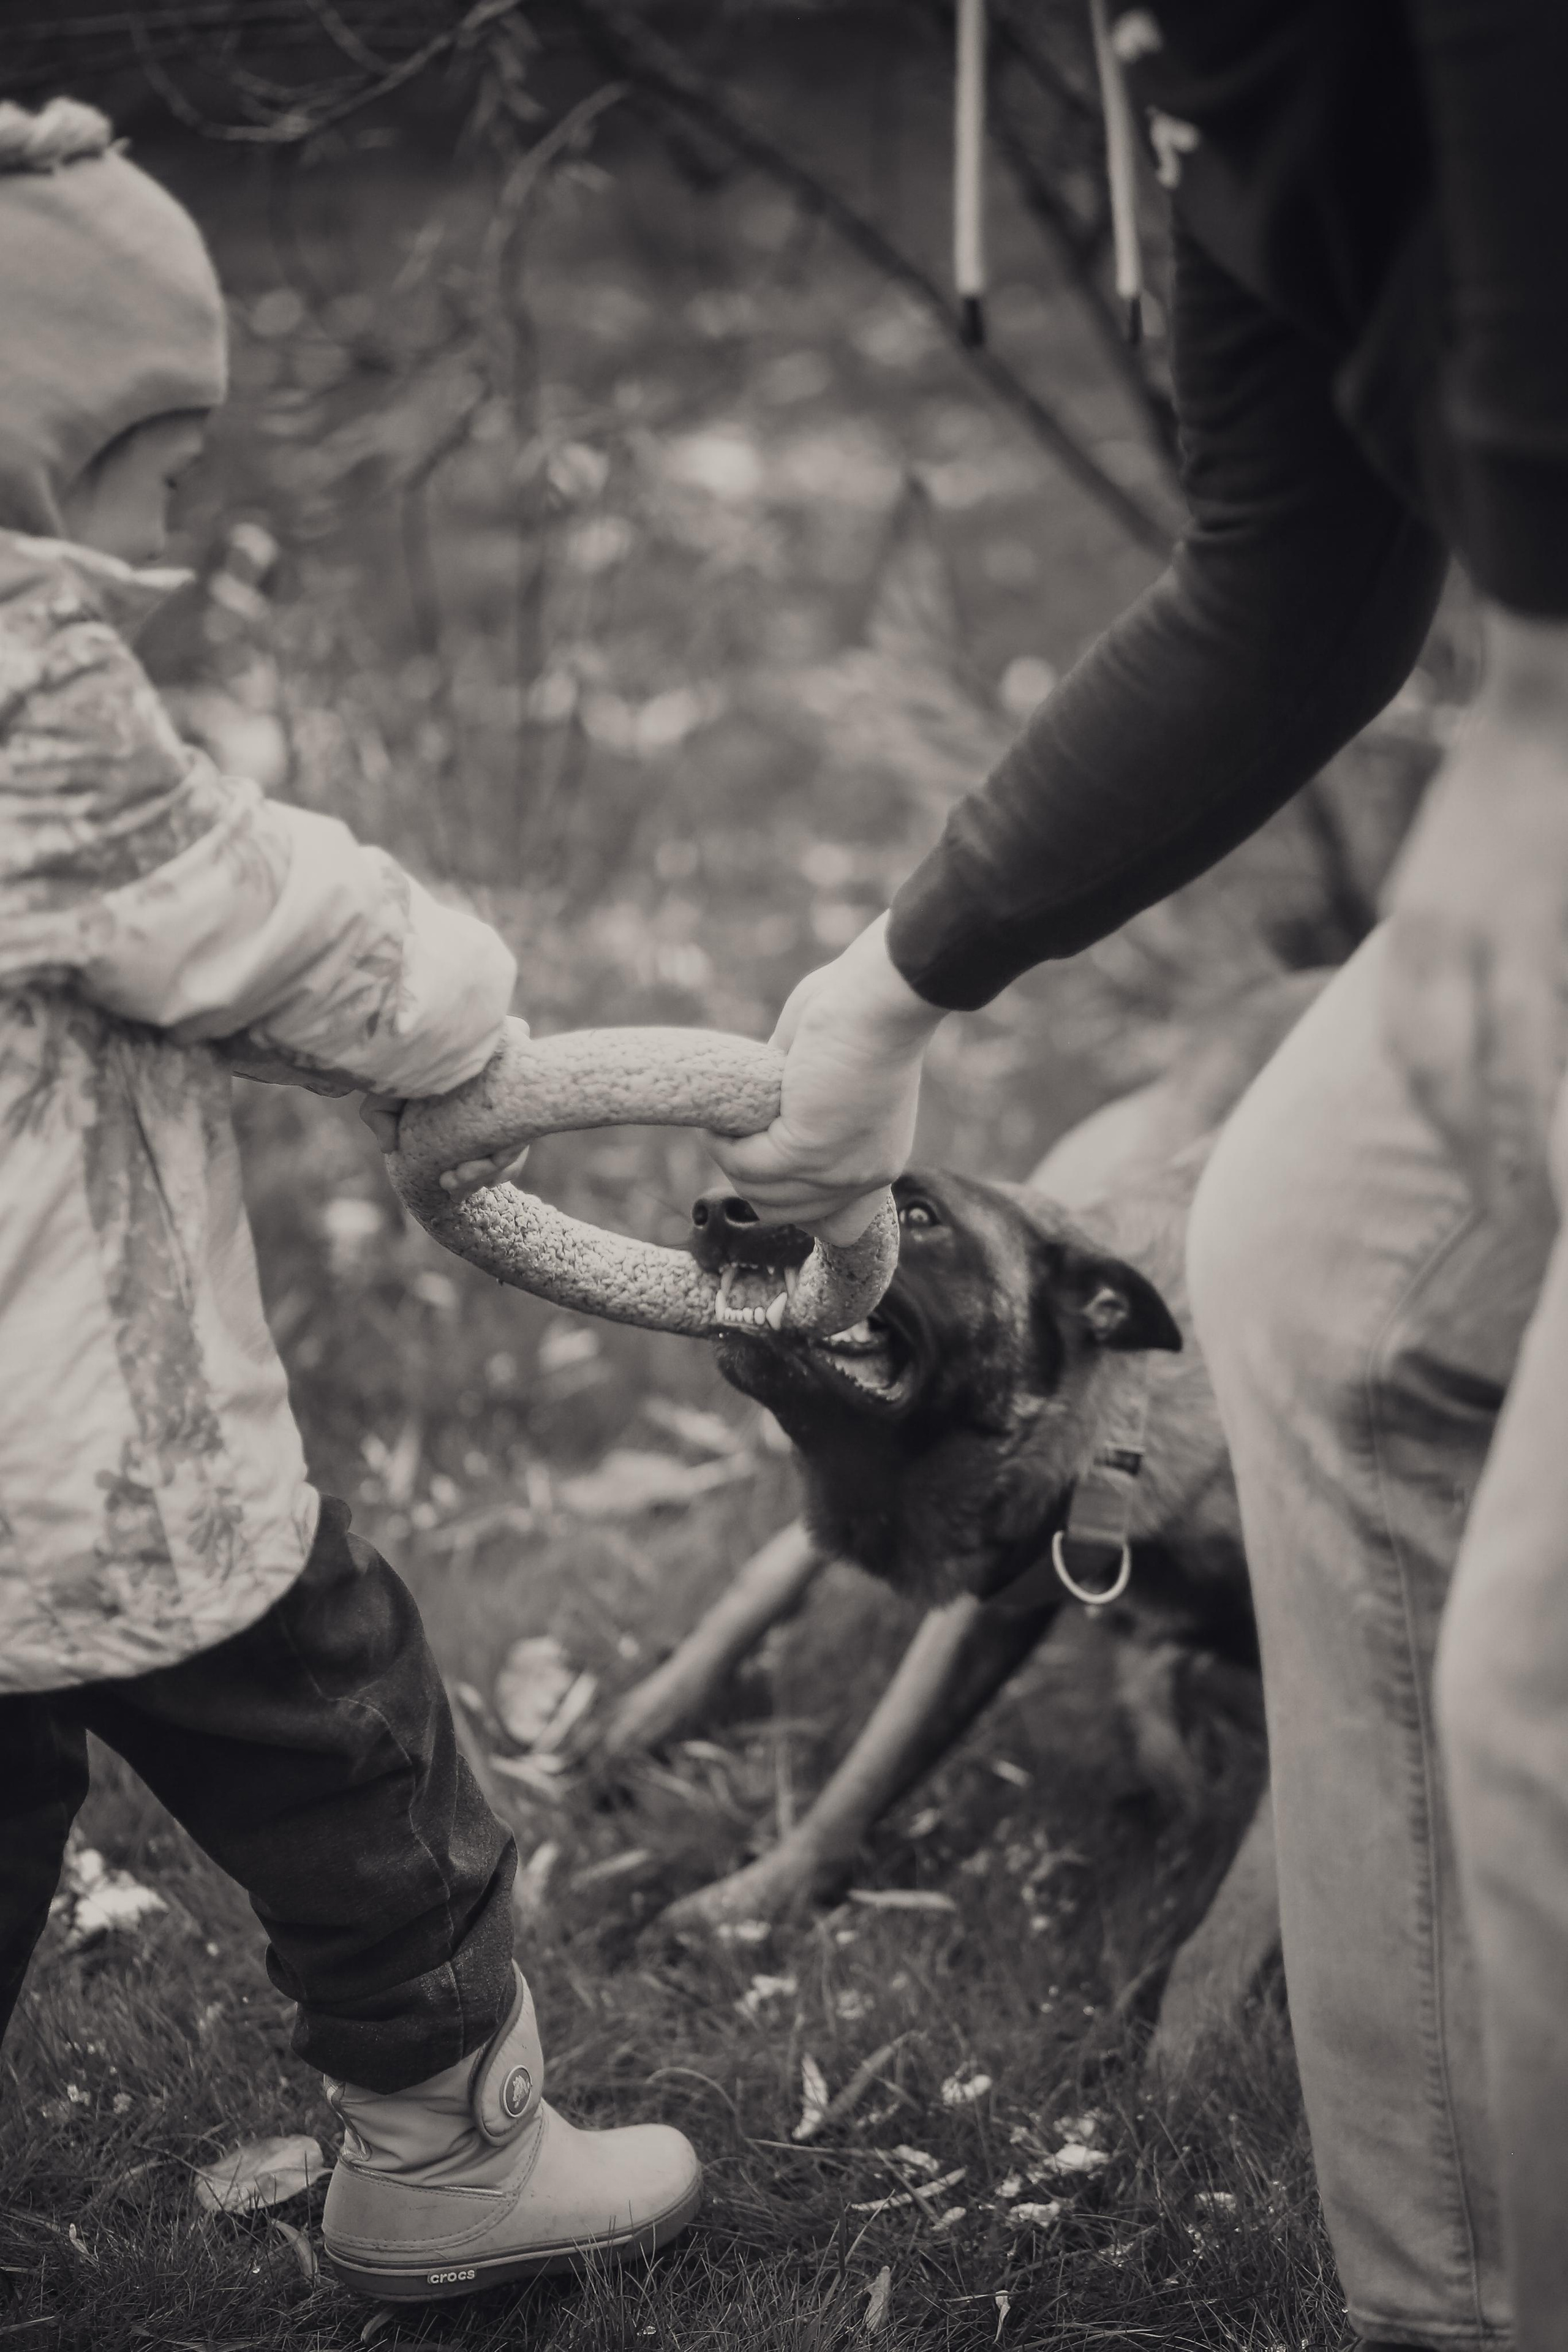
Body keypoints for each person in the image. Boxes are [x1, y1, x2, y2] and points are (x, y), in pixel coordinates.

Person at [703, 7, 1568, 2349]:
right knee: (1317, 1253)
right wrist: (889, 993)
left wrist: (1552, 709)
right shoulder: (1187, 59)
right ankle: (1458, 2303)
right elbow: (1289, 579)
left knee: (1532, 1666)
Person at [0, 97, 700, 2303]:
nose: (189, 514)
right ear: (43, 446)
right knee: (350, 1742)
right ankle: (449, 2158)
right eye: (166, 461)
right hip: (93, 1449)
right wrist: (471, 1015)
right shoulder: (25, 683)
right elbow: (252, 924)